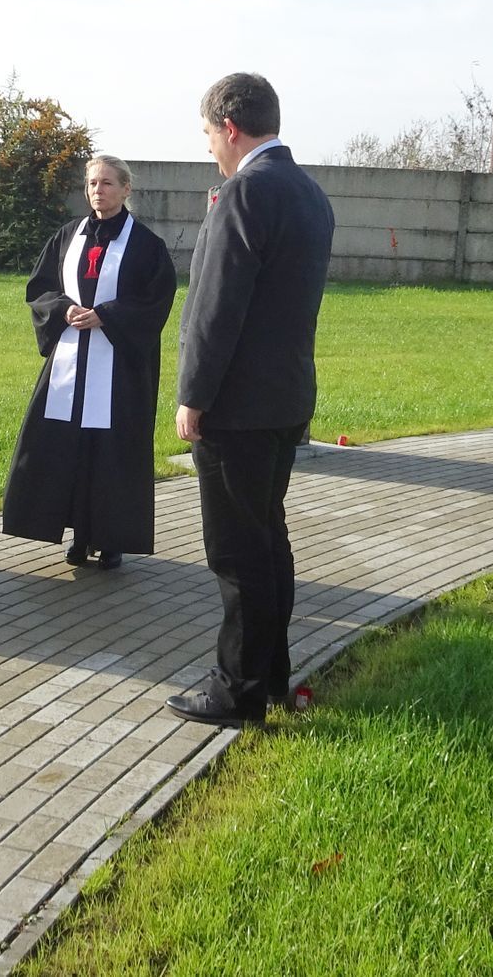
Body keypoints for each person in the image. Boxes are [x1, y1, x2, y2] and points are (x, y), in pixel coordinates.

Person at [167, 74, 335, 727]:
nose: (210, 148)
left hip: (236, 408)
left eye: (210, 135)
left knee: (237, 555)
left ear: (230, 129)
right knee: (268, 544)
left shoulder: (246, 193)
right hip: (285, 399)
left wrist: (193, 397)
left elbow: (216, 310)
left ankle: (237, 690)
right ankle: (271, 678)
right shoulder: (308, 193)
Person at [3, 155, 178, 569]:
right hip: (69, 363)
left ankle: (110, 538)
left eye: (107, 183)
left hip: (119, 369)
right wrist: (64, 310)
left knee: (111, 452)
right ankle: (77, 537)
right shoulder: (67, 236)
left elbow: (155, 301)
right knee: (65, 446)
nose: (98, 190)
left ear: (126, 189)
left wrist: (107, 315)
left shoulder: (146, 245)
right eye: (92, 183)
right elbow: (41, 288)